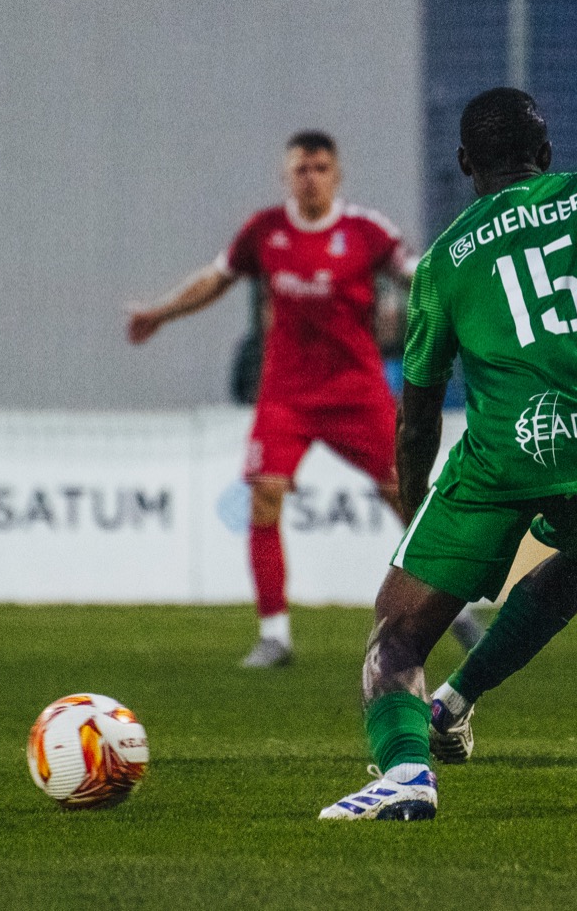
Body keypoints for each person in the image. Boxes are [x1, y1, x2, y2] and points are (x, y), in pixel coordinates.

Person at [318, 87, 577, 821]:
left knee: (396, 636)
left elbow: (418, 411)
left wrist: (416, 513)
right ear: (546, 154)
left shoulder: (443, 262)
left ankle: (407, 772)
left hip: (504, 459)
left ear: (466, 164)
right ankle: (456, 700)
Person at [128, 130, 484, 667]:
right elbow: (216, 278)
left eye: (320, 168)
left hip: (357, 391)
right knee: (264, 496)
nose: (311, 178)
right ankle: (275, 636)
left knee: (406, 497)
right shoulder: (265, 231)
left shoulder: (366, 231)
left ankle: (455, 611)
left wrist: (471, 302)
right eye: (301, 169)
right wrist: (159, 312)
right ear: (286, 175)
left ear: (337, 175)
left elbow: (420, 274)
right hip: (286, 395)